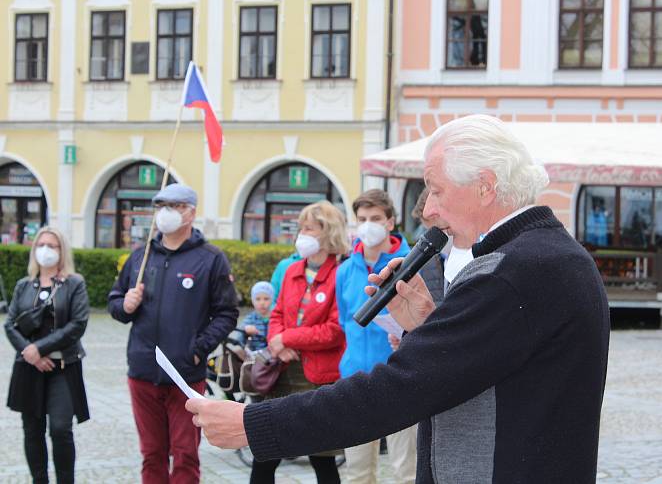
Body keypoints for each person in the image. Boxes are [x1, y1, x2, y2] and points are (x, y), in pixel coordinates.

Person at [187, 114, 611, 482]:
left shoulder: (512, 271)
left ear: (485, 186)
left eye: (436, 190)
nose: (427, 211)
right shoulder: (551, 256)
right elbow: (489, 372)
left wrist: (253, 424)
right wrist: (430, 325)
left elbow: (400, 390)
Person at [108, 184, 238, 484]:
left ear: (190, 212)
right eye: (161, 206)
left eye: (175, 205)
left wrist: (199, 348)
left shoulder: (210, 258)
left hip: (185, 374)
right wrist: (124, 305)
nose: (166, 212)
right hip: (142, 370)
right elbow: (115, 302)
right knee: (152, 453)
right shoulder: (140, 257)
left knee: (185, 454)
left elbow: (227, 312)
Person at [249, 200, 350, 484]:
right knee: (265, 454)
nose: (302, 234)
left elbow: (333, 330)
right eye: (301, 228)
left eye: (309, 228)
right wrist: (276, 343)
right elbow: (277, 312)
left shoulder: (339, 274)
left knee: (322, 458)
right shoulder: (293, 270)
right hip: (281, 373)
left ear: (327, 233)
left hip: (317, 377)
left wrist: (287, 338)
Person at [334, 189, 416, 484]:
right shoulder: (344, 271)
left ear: (391, 222)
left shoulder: (410, 263)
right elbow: (346, 322)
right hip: (355, 379)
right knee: (356, 473)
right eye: (363, 218)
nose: (369, 224)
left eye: (376, 218)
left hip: (399, 378)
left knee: (407, 471)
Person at [5, 226, 90, 484]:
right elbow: (10, 324)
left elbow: (77, 325)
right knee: (32, 430)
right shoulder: (23, 285)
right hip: (28, 368)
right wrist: (29, 352)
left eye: (52, 246)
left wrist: (39, 348)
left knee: (60, 429)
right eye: (41, 245)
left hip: (62, 367)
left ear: (61, 251)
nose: (46, 250)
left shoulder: (74, 284)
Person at [240, 281, 274, 351]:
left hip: (274, 354)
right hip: (256, 356)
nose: (262, 303)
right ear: (253, 301)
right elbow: (239, 338)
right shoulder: (250, 319)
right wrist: (245, 330)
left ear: (272, 300)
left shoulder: (276, 318)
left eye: (266, 299)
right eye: (258, 299)